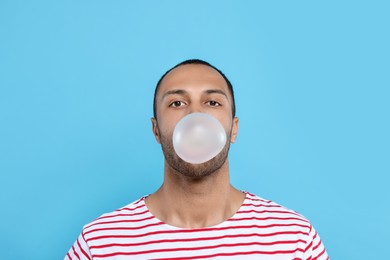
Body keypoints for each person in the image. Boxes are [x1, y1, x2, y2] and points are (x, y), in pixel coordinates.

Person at [66, 59, 329, 259]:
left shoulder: (293, 239)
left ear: (233, 128)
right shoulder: (101, 242)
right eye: (177, 103)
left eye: (212, 103)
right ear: (156, 130)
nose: (195, 117)